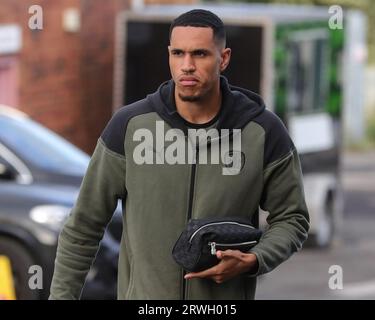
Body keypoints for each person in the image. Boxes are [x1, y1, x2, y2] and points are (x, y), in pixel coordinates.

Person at [50, 9, 309, 300]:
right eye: (178, 53)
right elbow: (83, 226)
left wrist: (256, 259)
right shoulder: (130, 127)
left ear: (223, 59)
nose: (187, 66)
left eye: (200, 54)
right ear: (169, 56)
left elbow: (292, 218)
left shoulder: (262, 131)